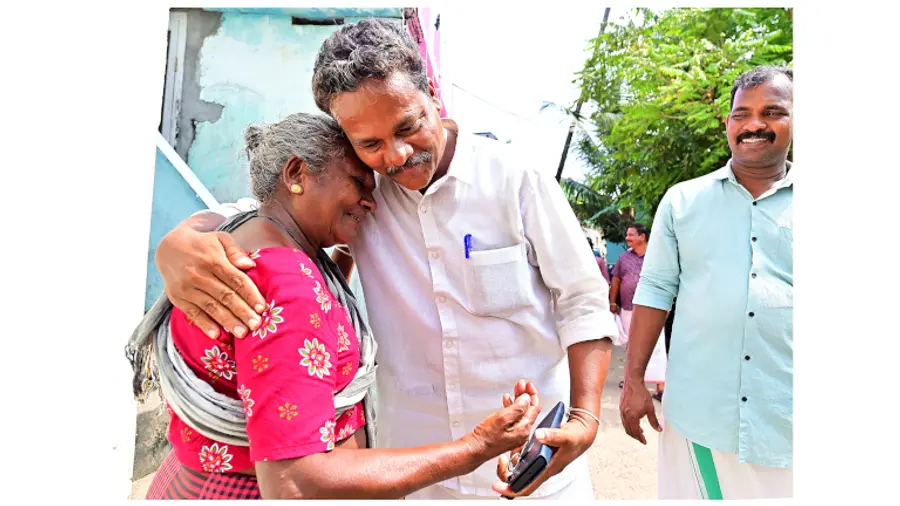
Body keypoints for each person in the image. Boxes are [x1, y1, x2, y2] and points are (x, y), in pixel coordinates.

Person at [153, 18, 618, 500]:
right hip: (416, 474)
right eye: (369, 144)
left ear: (431, 93)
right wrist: (179, 243)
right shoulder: (362, 198)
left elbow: (582, 300)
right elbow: (263, 213)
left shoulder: (516, 179)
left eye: (408, 127)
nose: (396, 156)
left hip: (534, 468)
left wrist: (584, 418)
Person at [131, 113, 541, 500]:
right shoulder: (287, 285)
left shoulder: (244, 235)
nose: (370, 202)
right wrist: (477, 446)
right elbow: (295, 482)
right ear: (297, 174)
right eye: (357, 183)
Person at [619, 66, 794, 499]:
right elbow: (655, 291)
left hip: (791, 420)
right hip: (699, 421)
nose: (754, 124)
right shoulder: (683, 201)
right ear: (728, 123)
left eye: (772, 112)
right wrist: (634, 380)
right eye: (742, 114)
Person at [608, 224, 666, 399]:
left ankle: (660, 386)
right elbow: (616, 280)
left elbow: (665, 281)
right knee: (632, 347)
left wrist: (666, 306)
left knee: (656, 345)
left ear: (642, 237)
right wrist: (612, 302)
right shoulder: (624, 258)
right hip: (628, 308)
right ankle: (632, 382)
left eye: (631, 235)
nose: (627, 238)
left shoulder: (657, 257)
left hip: (653, 309)